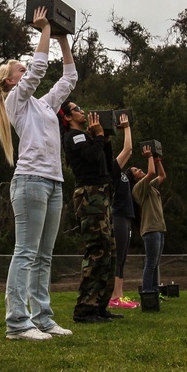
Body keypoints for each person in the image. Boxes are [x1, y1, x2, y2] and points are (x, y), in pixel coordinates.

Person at [0, 6, 78, 340]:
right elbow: (40, 67)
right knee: (26, 253)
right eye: (21, 71)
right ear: (10, 81)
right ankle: (17, 322)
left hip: (53, 182)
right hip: (29, 182)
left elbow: (68, 79)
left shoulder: (42, 105)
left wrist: (62, 39)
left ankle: (42, 317)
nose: (27, 72)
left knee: (44, 255)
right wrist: (43, 29)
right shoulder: (15, 100)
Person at [60, 104, 120, 323]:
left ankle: (100, 305)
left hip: (102, 195)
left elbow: (104, 160)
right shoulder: (74, 137)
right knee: (97, 250)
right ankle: (85, 309)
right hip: (90, 196)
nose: (82, 112)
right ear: (67, 117)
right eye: (77, 110)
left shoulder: (86, 137)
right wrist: (98, 136)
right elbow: (92, 157)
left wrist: (104, 140)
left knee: (108, 250)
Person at [107, 114, 138, 309]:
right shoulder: (111, 170)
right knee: (117, 256)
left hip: (126, 217)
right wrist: (126, 127)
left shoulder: (121, 174)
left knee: (123, 258)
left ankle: (119, 295)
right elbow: (128, 149)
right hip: (117, 216)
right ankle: (113, 297)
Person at [131, 144, 167, 296]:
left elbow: (162, 176)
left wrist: (158, 160)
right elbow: (151, 172)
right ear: (133, 178)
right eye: (136, 171)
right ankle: (147, 292)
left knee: (155, 263)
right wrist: (149, 157)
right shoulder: (138, 188)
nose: (140, 170)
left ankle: (154, 291)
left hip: (158, 228)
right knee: (150, 262)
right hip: (150, 229)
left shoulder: (150, 187)